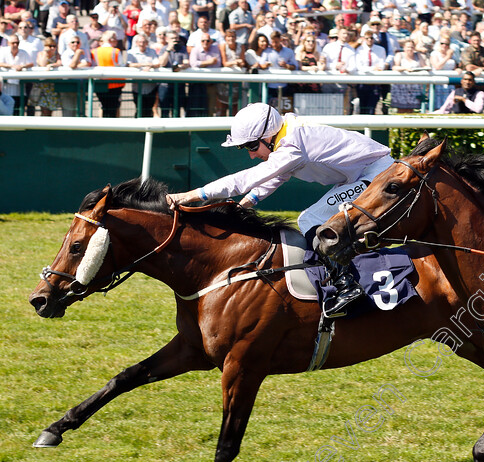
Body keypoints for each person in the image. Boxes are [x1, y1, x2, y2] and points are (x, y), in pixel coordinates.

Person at [165, 103, 395, 318]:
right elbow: (277, 176)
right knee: (316, 218)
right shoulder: (288, 138)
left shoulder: (294, 143)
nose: (251, 154)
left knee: (310, 219)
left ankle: (347, 286)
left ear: (267, 136)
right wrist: (246, 203)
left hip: (377, 176)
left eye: (252, 146)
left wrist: (191, 195)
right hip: (365, 175)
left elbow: (248, 178)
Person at [127, 32, 161, 116]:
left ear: (147, 43)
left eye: (144, 42)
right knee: (139, 109)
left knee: (149, 110)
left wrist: (151, 66)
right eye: (140, 42)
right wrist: (144, 65)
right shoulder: (131, 52)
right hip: (137, 87)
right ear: (137, 43)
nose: (142, 44)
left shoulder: (152, 51)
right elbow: (129, 64)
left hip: (150, 86)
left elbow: (157, 63)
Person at [92, 30, 124, 117]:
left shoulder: (94, 51)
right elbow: (121, 66)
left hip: (100, 83)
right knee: (113, 108)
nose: (116, 41)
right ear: (110, 39)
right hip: (115, 84)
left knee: (104, 106)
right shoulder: (116, 51)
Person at [33, 36, 62, 116]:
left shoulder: (57, 55)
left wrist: (51, 65)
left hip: (52, 86)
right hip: (42, 86)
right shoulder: (41, 54)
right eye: (50, 46)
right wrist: (46, 53)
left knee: (50, 110)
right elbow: (42, 64)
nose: (52, 48)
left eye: (54, 46)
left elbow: (59, 63)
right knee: (44, 109)